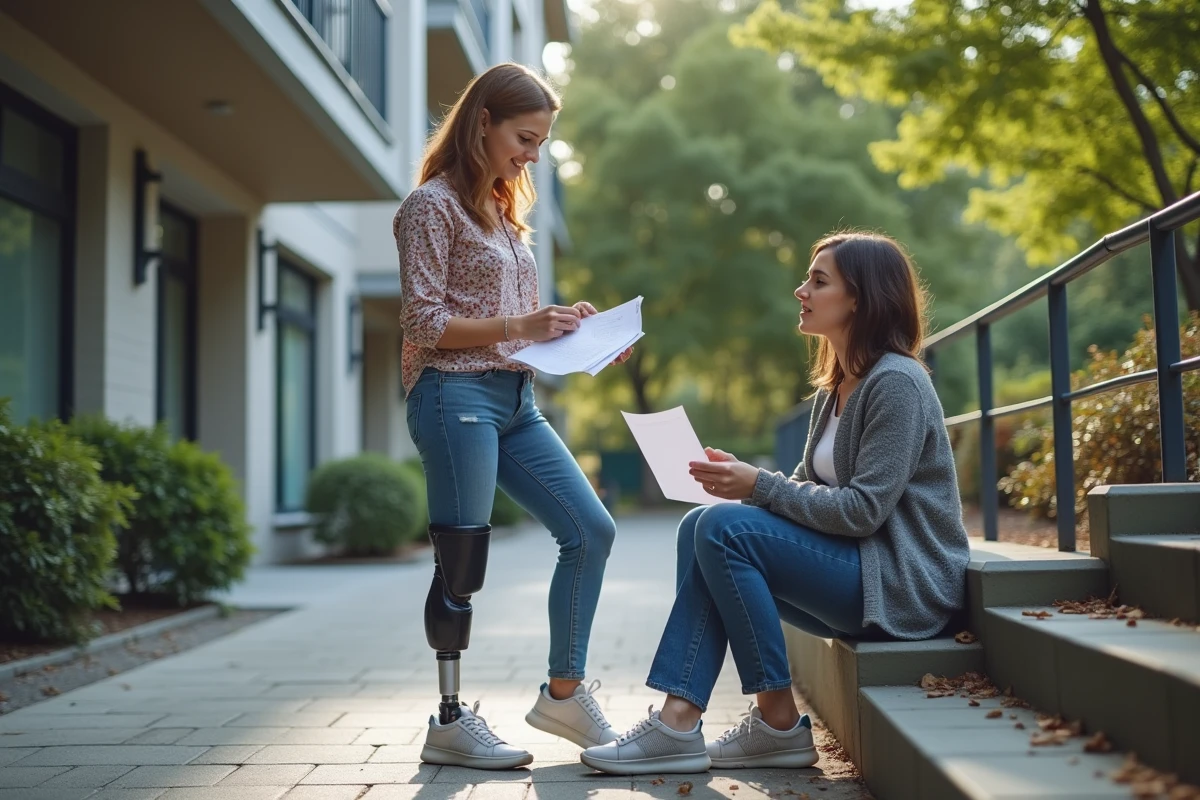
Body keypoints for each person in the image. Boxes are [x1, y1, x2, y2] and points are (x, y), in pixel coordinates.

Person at [579, 231, 971, 775]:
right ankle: (682, 719)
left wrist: (757, 487)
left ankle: (771, 722)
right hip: (859, 567)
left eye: (818, 280)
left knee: (721, 530)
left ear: (859, 297)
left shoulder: (897, 384)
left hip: (903, 583)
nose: (800, 290)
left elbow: (861, 511)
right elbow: (810, 484)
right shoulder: (837, 388)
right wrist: (738, 481)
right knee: (701, 524)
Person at [395, 63, 632, 770]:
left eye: (539, 142)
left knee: (590, 530)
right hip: (453, 395)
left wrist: (571, 331)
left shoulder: (503, 210)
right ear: (483, 123)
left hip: (517, 400)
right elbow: (423, 320)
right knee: (463, 559)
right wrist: (524, 323)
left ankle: (563, 692)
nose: (531, 155)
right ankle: (449, 721)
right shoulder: (428, 208)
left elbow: (517, 329)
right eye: (525, 138)